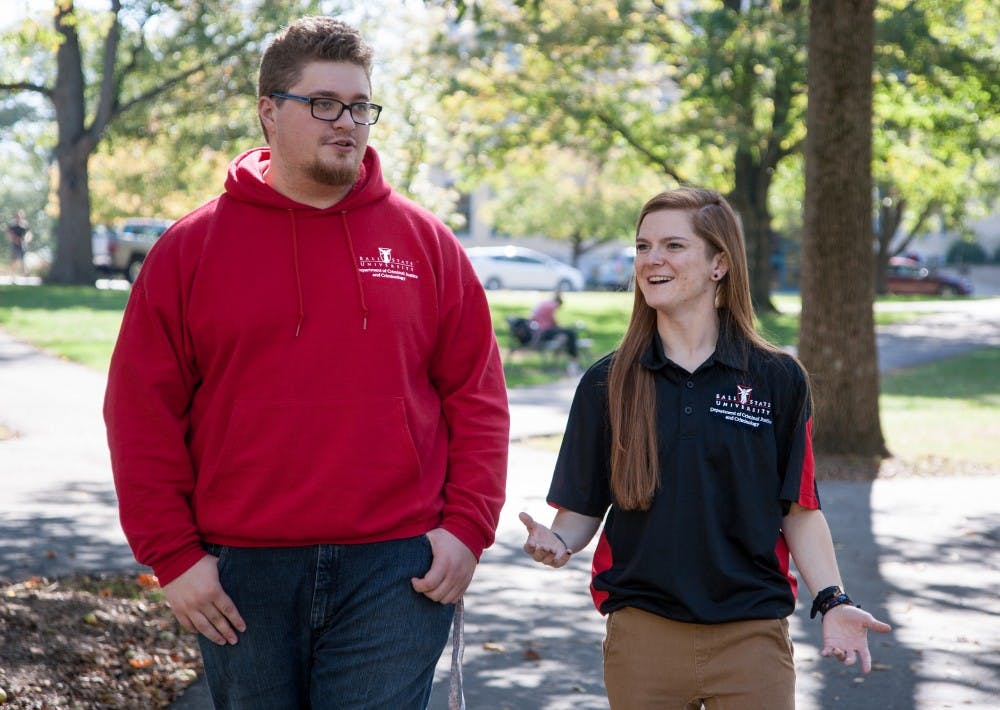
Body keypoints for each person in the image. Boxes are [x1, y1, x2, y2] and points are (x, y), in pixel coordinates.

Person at [104, 16, 509, 710]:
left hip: (397, 567)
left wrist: (468, 528)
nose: (346, 122)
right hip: (241, 570)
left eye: (359, 106)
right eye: (323, 103)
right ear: (269, 110)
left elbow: (477, 396)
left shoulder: (426, 243)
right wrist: (172, 556)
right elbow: (141, 411)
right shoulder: (190, 249)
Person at [519, 187, 891, 709]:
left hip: (752, 638)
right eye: (643, 246)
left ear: (720, 263)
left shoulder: (777, 378)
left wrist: (834, 601)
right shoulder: (608, 381)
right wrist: (557, 542)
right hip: (643, 636)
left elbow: (799, 510)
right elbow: (580, 511)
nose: (652, 259)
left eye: (673, 245)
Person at [530, 290, 581, 373]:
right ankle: (574, 360)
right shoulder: (552, 306)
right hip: (545, 331)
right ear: (559, 303)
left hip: (540, 331)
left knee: (566, 336)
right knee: (571, 333)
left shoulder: (544, 303)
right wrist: (561, 327)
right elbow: (553, 321)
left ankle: (572, 361)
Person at [6, 210, 30, 275]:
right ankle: (12, 273)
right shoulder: (12, 224)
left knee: (24, 258)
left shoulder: (25, 224)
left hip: (23, 243)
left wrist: (26, 239)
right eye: (18, 216)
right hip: (14, 243)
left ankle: (25, 273)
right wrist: (13, 239)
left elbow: (28, 233)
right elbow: (8, 232)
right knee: (14, 259)